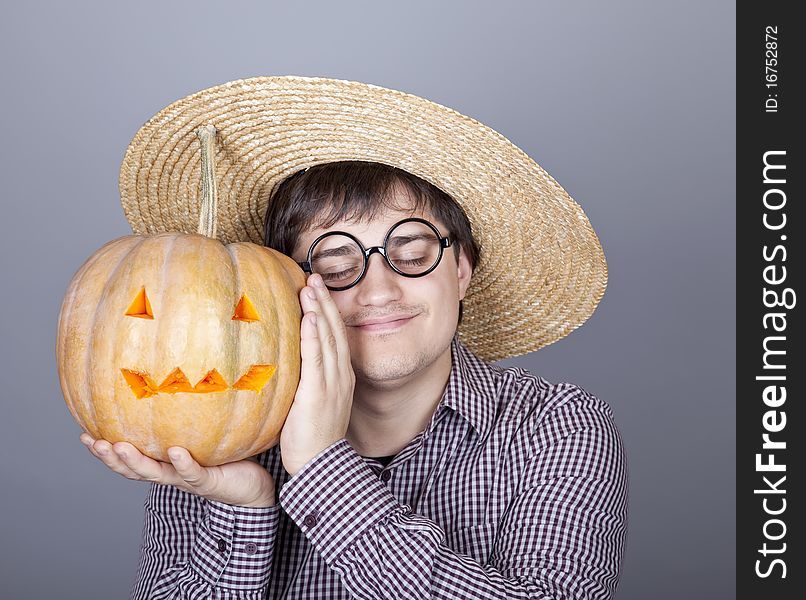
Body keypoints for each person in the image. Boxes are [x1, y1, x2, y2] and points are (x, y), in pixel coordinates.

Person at [82, 77, 627, 599]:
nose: (379, 290)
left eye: (412, 255)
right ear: (286, 290)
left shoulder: (557, 426)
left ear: (460, 269)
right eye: (337, 266)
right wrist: (244, 503)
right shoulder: (212, 429)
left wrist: (323, 467)